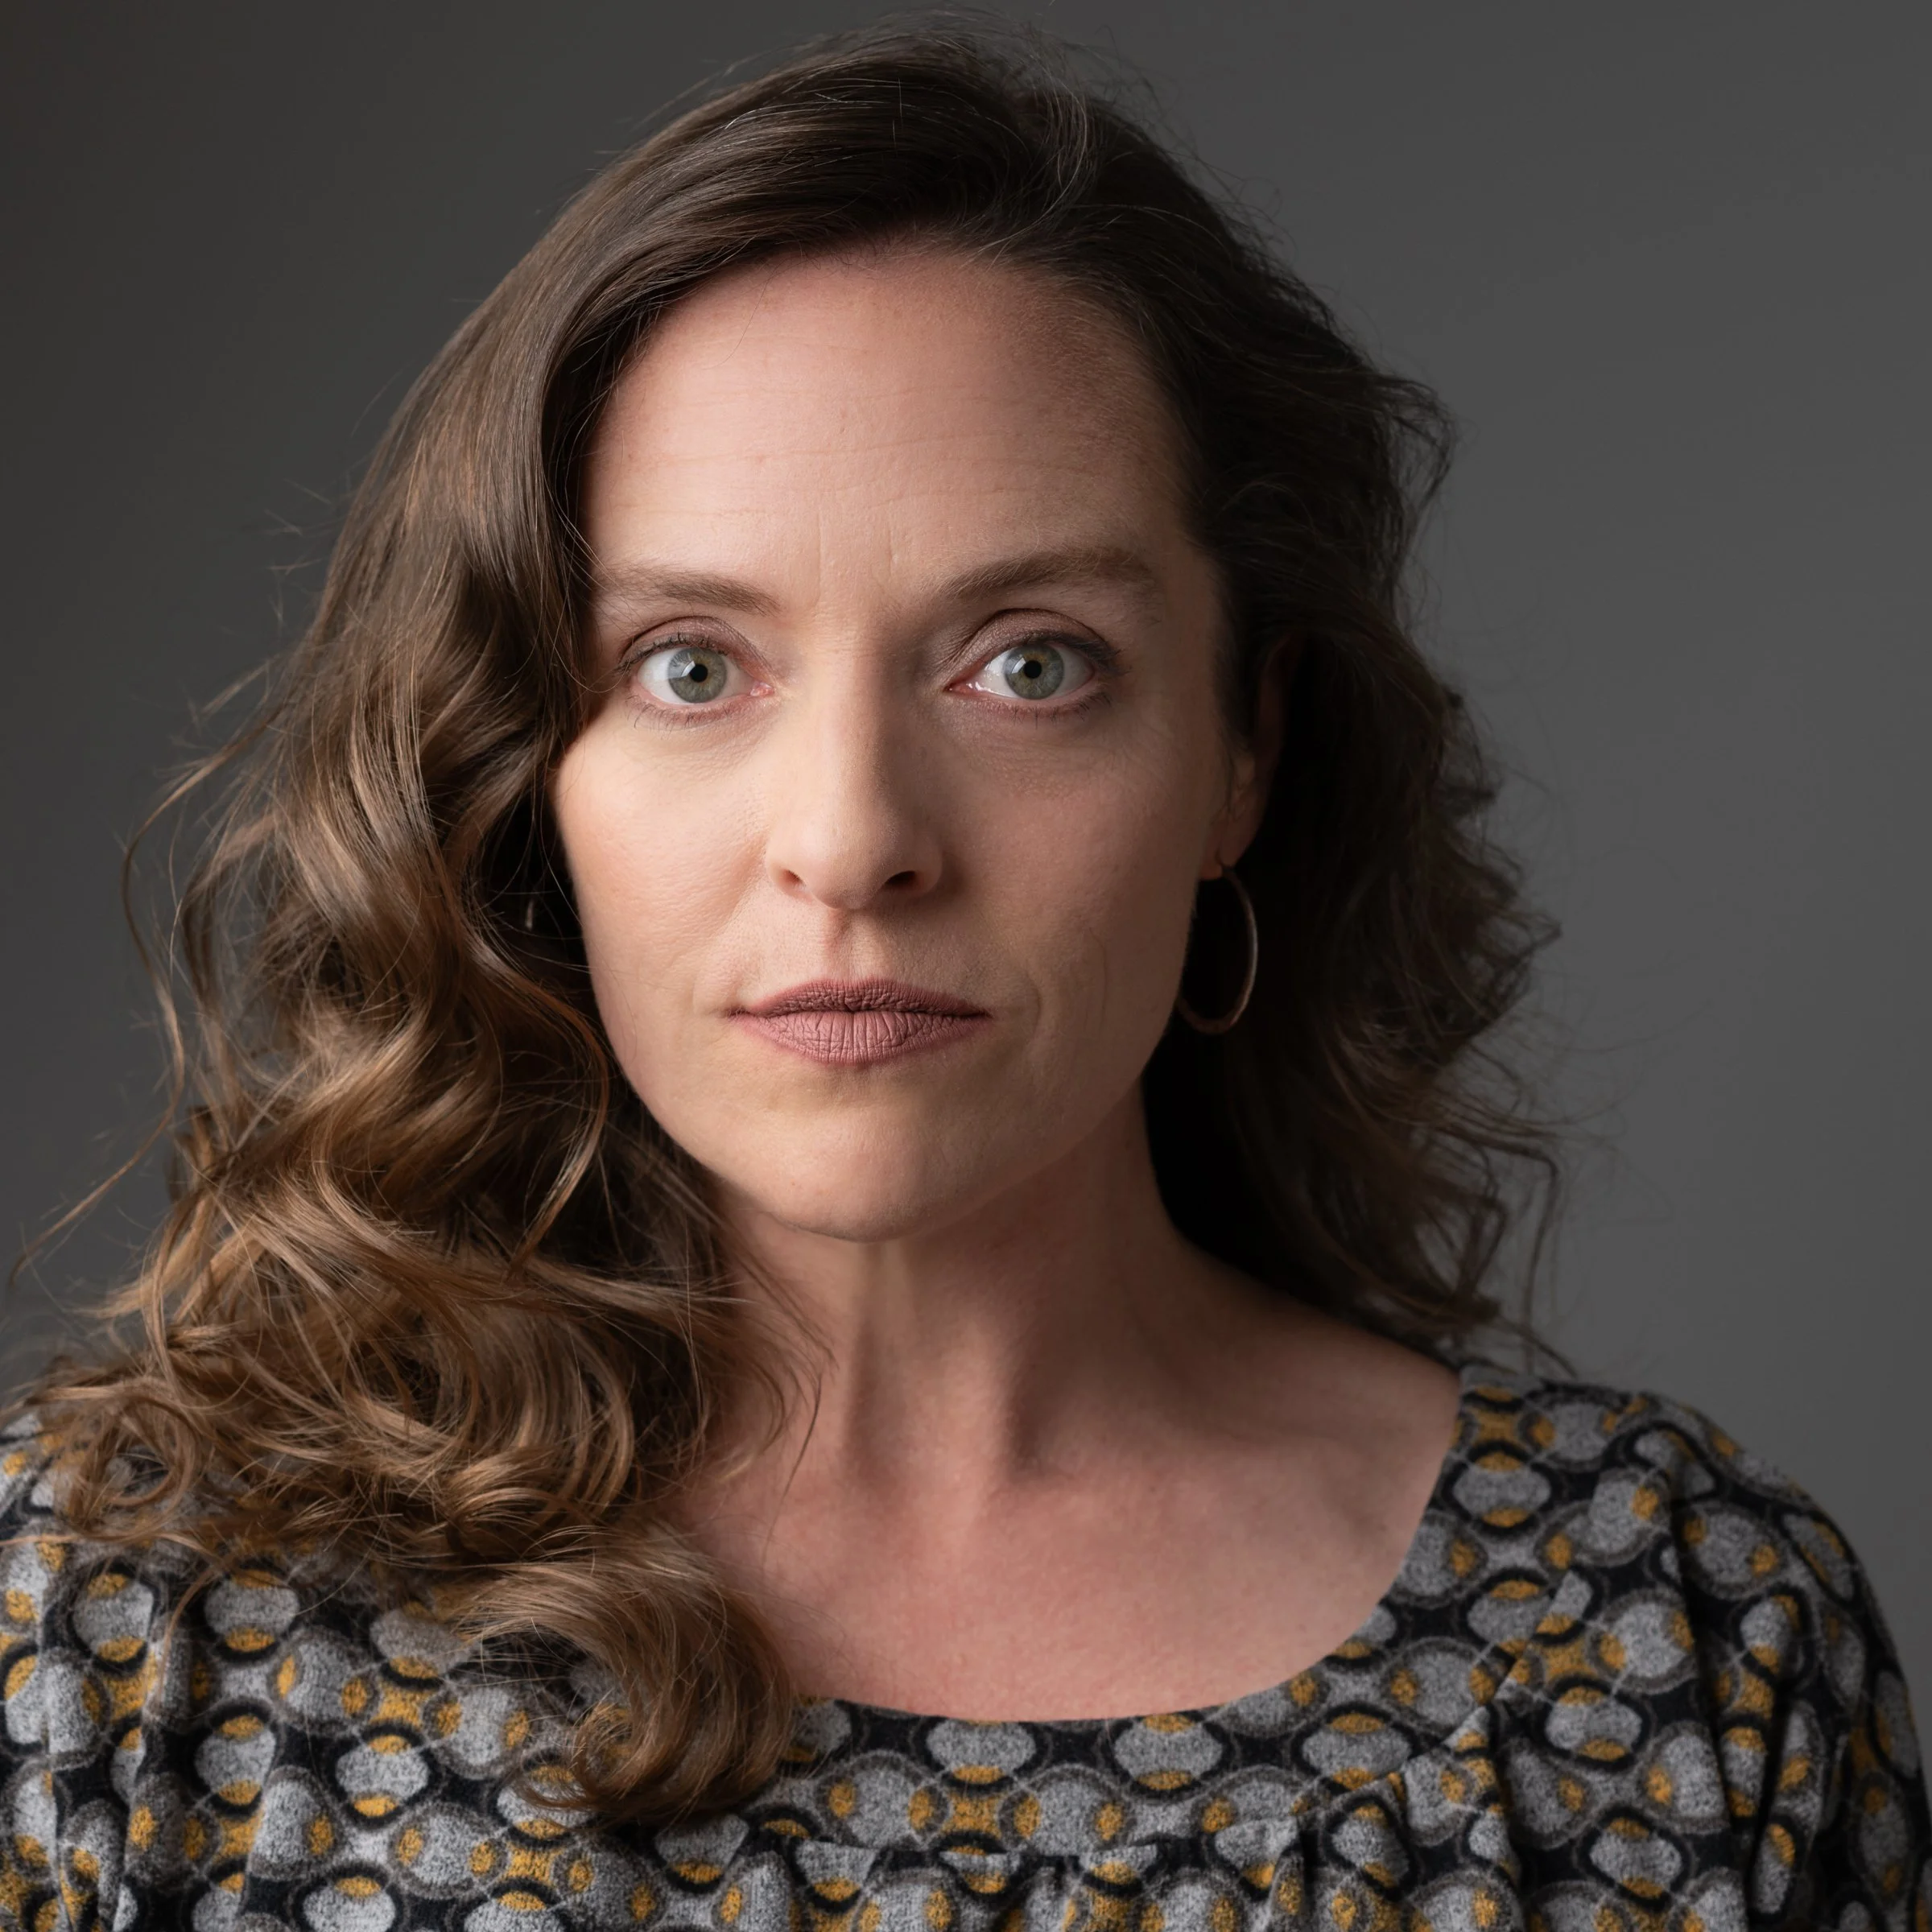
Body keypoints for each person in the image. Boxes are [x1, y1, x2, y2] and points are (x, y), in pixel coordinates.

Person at [2, 22, 1923, 1932]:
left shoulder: (1672, 1637)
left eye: (1027, 662)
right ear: (523, 767)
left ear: (1243, 753)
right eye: (689, 664)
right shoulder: (111, 1619)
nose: (851, 840)